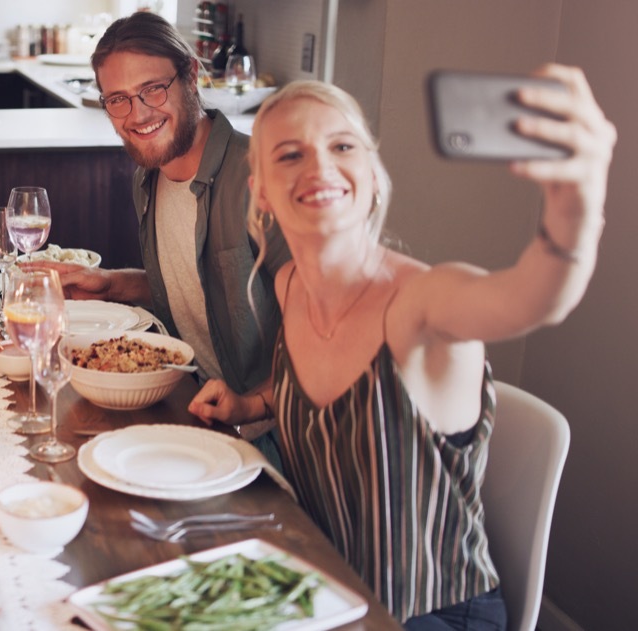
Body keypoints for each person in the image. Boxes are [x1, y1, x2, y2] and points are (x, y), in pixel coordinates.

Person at [202, 67, 613, 627]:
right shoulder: (288, 284)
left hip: (432, 615)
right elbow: (319, 395)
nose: (320, 166)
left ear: (371, 171)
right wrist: (252, 404)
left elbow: (533, 297)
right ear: (262, 192)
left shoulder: (425, 301)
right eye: (290, 155)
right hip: (326, 592)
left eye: (341, 145)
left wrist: (575, 209)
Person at [27, 12, 290, 464]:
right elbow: (198, 286)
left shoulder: (260, 179)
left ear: (190, 74)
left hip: (267, 442)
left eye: (152, 89)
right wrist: (110, 283)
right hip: (187, 409)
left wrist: (253, 405)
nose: (138, 114)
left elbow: (323, 330)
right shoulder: (149, 178)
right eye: (118, 99)